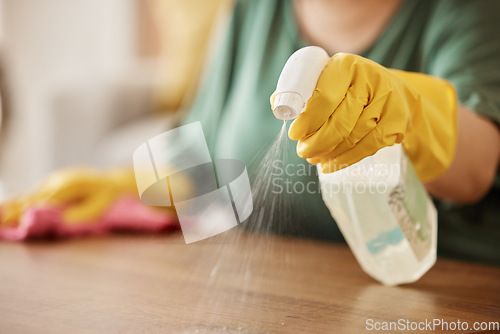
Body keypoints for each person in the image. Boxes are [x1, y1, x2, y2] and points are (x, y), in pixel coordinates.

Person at [183, 0, 500, 264]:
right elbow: (200, 145)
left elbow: (478, 164)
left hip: (438, 294)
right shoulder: (255, 8)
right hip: (280, 290)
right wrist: (146, 190)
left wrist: (409, 115)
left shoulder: (463, 10)